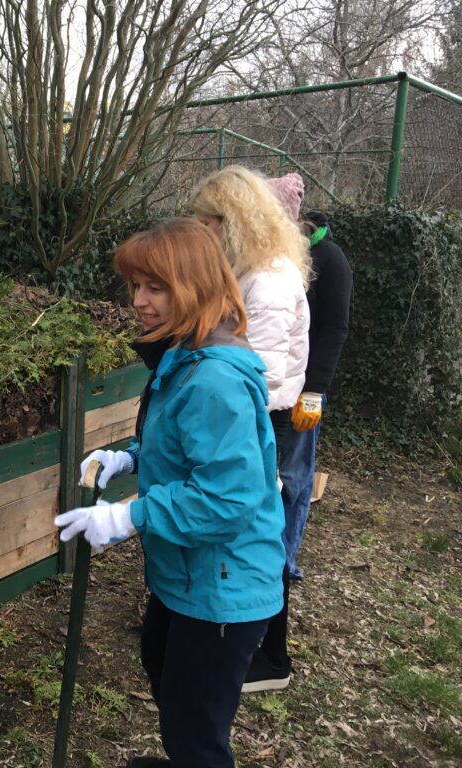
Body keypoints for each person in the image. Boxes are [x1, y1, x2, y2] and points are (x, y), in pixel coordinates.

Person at [56, 218, 285, 768]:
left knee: (195, 726)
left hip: (223, 585)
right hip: (190, 575)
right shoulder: (185, 356)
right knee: (162, 670)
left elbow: (227, 499)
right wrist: (128, 458)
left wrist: (129, 516)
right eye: (135, 285)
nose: (138, 300)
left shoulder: (213, 379)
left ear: (195, 285)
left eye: (154, 287)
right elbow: (186, 444)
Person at [191, 165, 312, 693]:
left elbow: (253, 375)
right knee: (253, 530)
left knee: (257, 535)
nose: (200, 233)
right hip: (255, 414)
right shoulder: (250, 271)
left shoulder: (266, 282)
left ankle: (270, 656)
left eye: (207, 222)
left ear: (233, 221)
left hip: (264, 419)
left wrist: (218, 428)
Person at [265, 172, 352, 579]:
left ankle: (285, 561)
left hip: (302, 388)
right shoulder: (266, 257)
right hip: (271, 387)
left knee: (294, 478)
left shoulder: (329, 259)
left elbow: (334, 328)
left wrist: (315, 390)